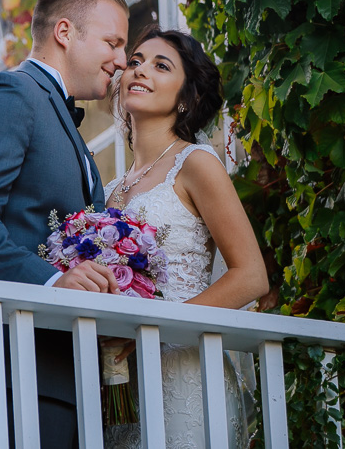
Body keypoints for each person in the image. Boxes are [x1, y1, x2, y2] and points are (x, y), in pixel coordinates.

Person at [0, 0, 129, 448]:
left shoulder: (60, 117)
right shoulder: (8, 93)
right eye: (113, 42)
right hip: (11, 367)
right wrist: (50, 282)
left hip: (60, 372)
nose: (122, 61)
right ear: (65, 33)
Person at [102, 26, 269, 448]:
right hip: (123, 383)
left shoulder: (195, 163)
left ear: (185, 97)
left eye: (161, 65)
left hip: (186, 373)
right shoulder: (105, 194)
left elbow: (251, 277)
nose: (139, 71)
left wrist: (150, 327)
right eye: (135, 62)